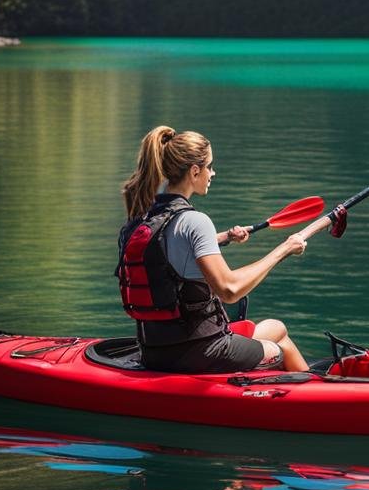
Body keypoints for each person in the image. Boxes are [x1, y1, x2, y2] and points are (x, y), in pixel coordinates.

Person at [118, 125, 309, 374]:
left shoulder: (138, 221)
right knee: (279, 349)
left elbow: (166, 254)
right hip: (201, 351)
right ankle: (315, 397)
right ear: (195, 171)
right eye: (210, 166)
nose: (213, 173)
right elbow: (229, 290)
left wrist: (224, 238)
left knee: (276, 327)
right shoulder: (195, 221)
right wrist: (283, 249)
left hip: (153, 350)